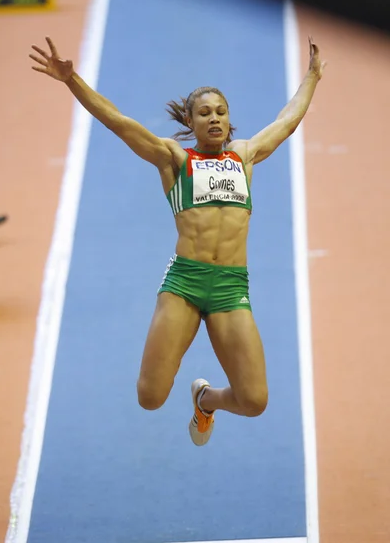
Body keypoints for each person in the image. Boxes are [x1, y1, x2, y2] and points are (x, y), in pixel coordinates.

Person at [30, 36, 325, 446]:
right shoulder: (174, 159)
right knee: (150, 397)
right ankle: (188, 393)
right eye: (204, 113)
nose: (215, 118)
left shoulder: (245, 156)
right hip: (184, 284)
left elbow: (287, 120)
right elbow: (118, 121)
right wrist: (71, 79)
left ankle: (205, 400)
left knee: (254, 400)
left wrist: (312, 76)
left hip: (230, 288)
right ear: (190, 122)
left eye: (221, 111)